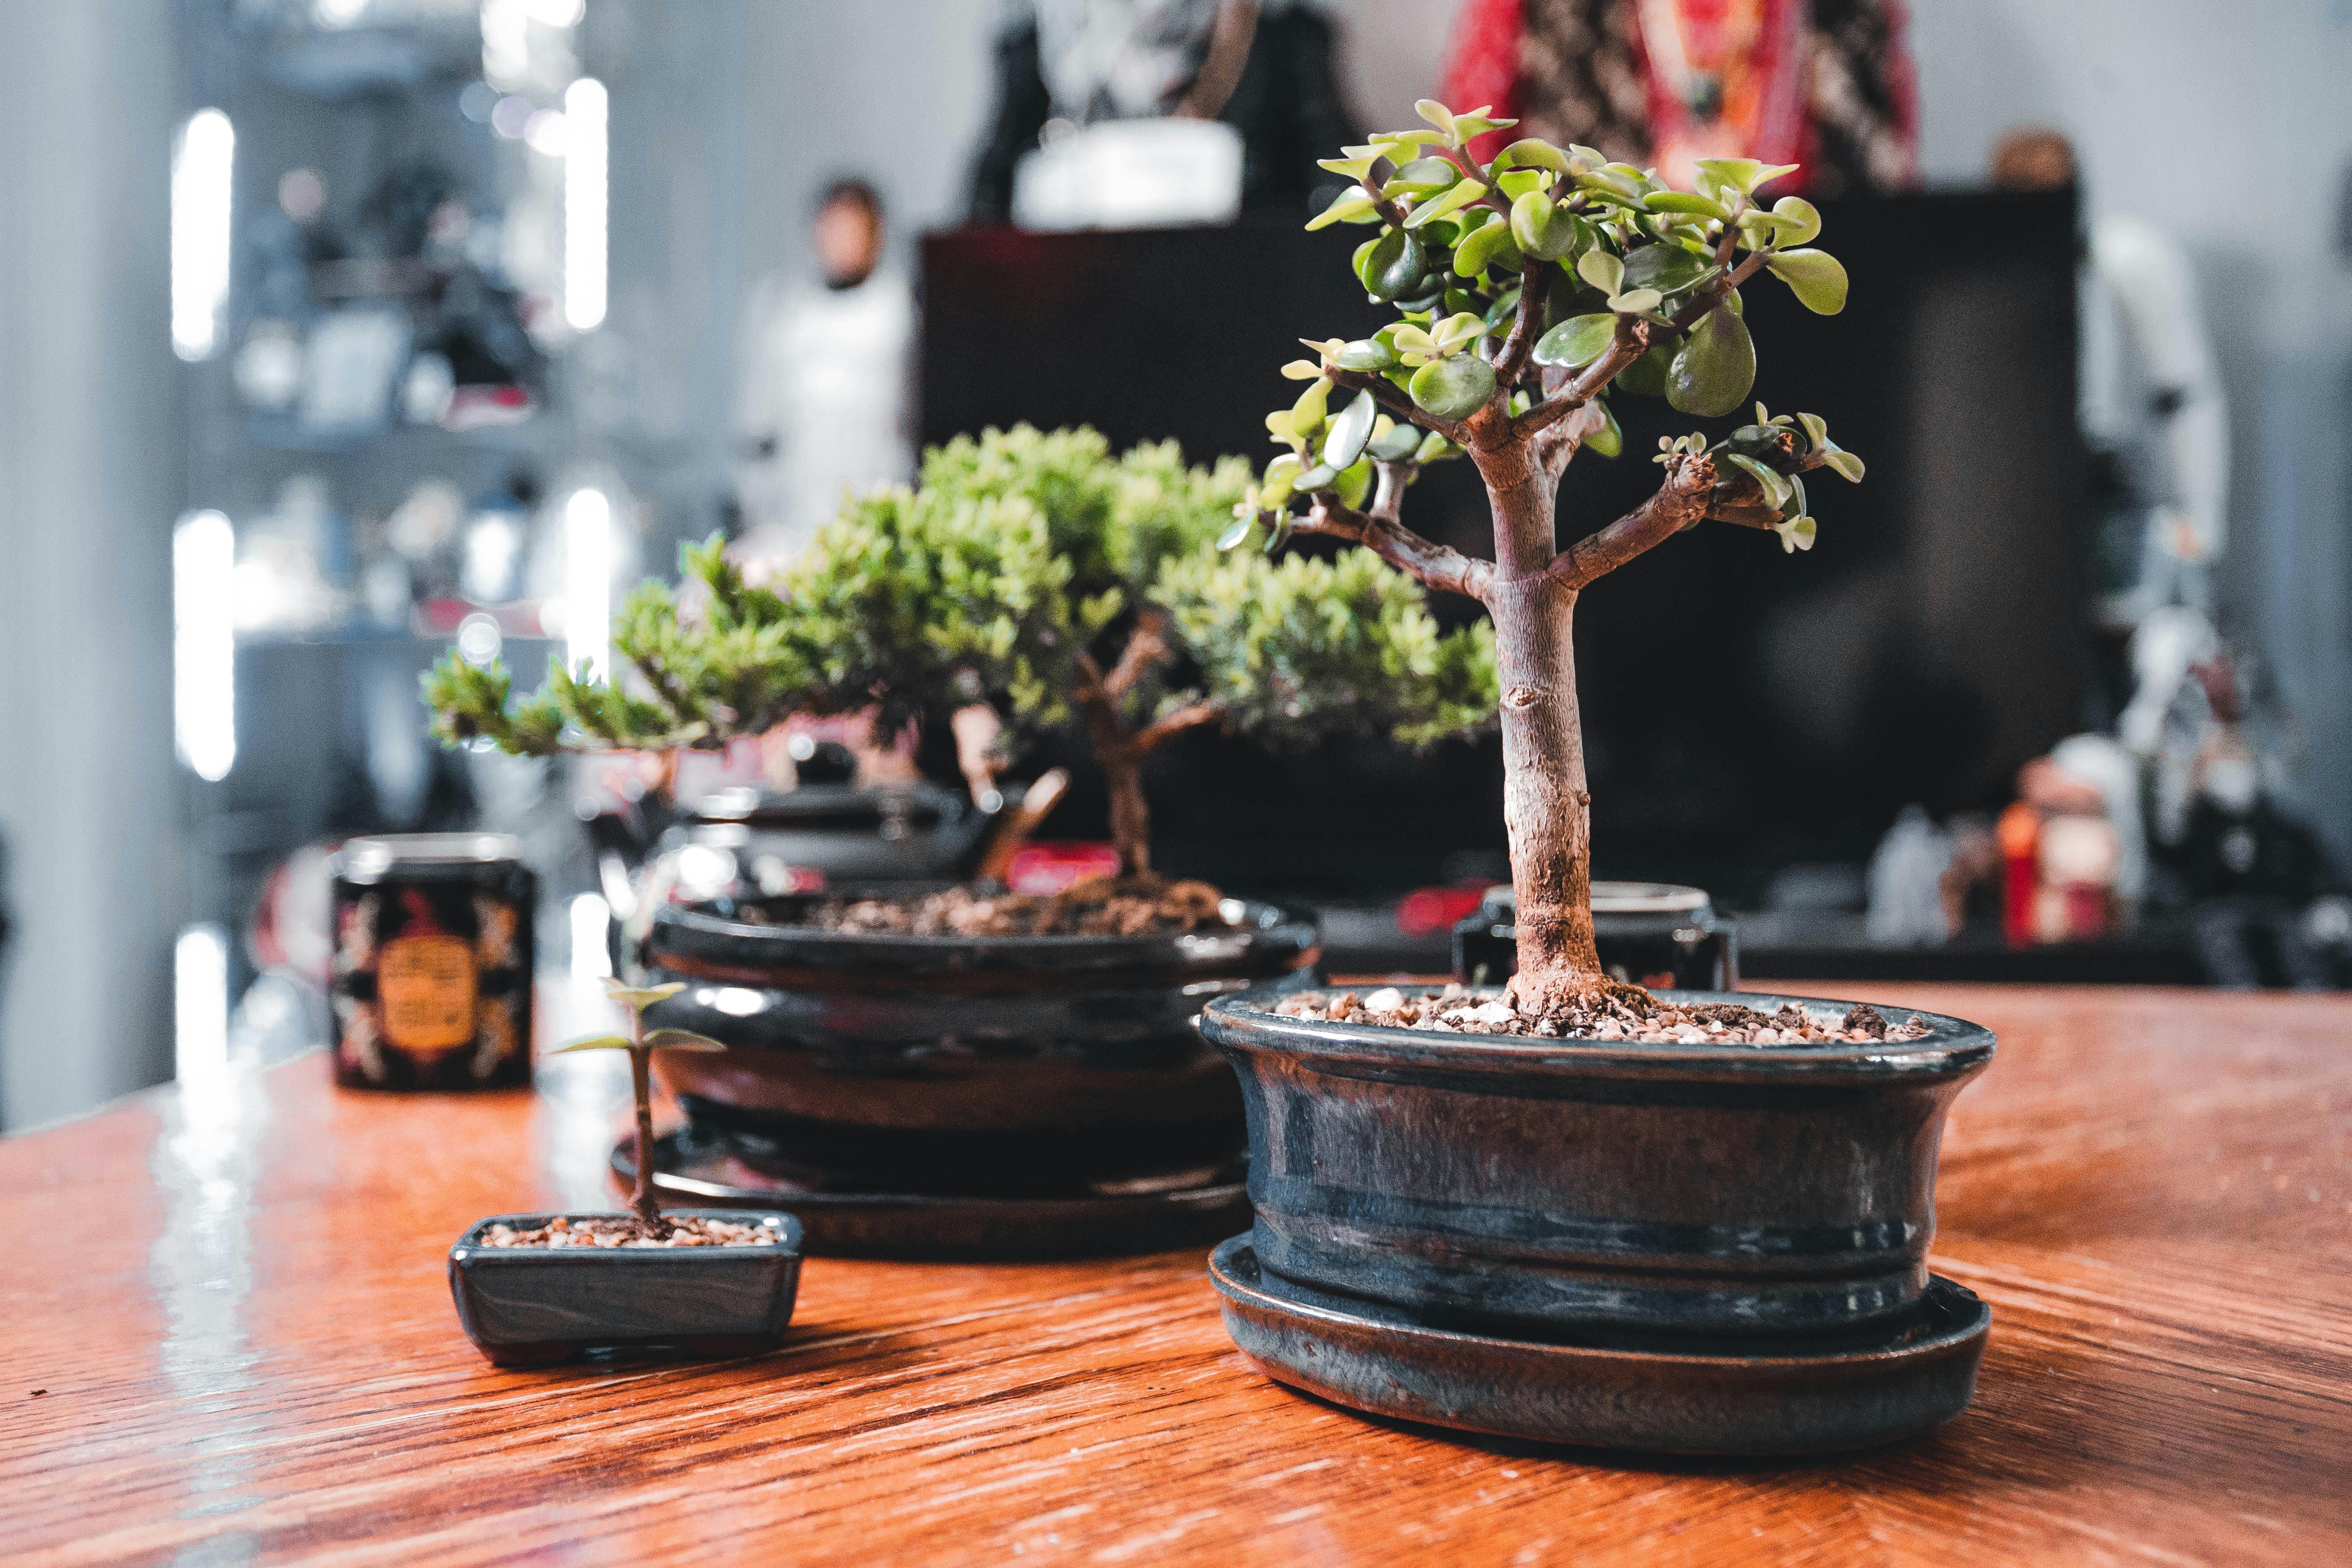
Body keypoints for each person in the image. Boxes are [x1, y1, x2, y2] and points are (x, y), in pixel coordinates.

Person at [733, 179, 915, 569]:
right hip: (796, 508)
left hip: (876, 499)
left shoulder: (901, 311)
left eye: (853, 228)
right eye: (833, 228)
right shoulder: (785, 311)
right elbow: (760, 420)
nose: (841, 240)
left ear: (876, 233)